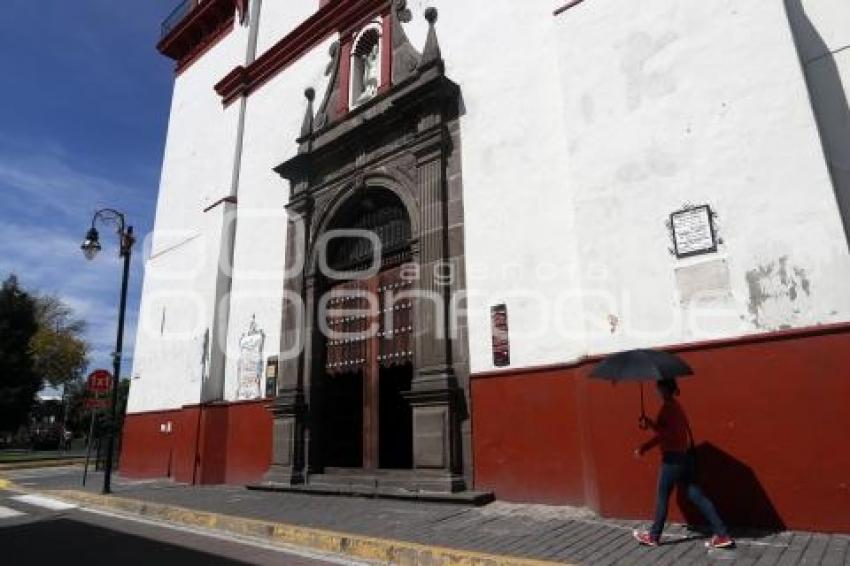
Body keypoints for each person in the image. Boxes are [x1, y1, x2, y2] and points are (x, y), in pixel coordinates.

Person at [632, 378, 734, 549]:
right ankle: (722, 535)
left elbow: (666, 434)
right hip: (684, 458)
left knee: (662, 497)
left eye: (658, 388)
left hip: (672, 460)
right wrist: (645, 447)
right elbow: (666, 434)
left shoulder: (668, 408)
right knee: (697, 496)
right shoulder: (677, 406)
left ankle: (653, 536)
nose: (656, 391)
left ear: (665, 389)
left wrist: (649, 423)